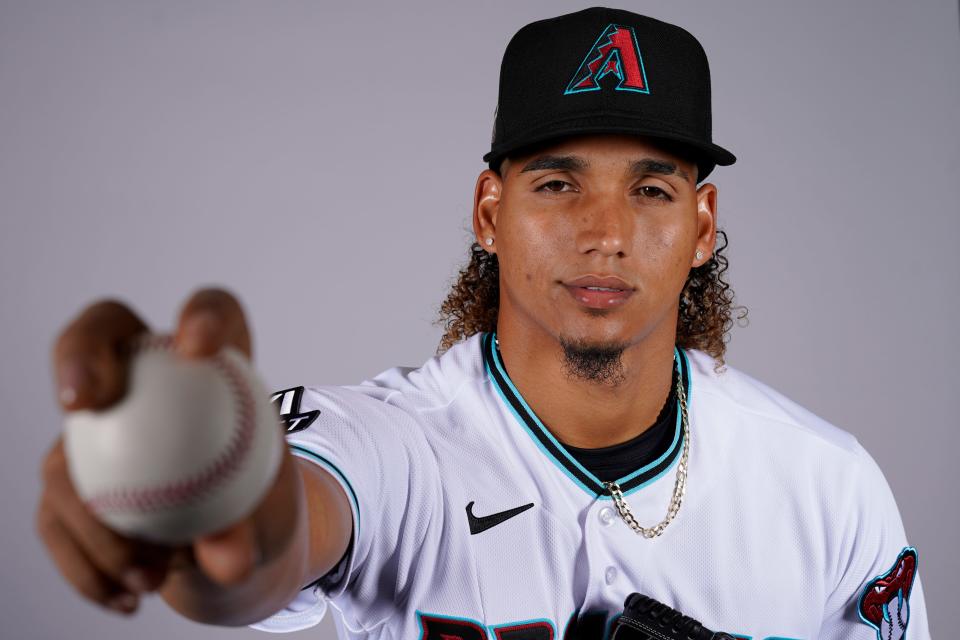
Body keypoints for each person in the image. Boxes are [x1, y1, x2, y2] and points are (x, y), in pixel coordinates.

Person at [36, 7, 930, 640]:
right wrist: (206, 494)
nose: (606, 234)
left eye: (651, 190)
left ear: (701, 227)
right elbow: (272, 535)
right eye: (557, 183)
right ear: (489, 211)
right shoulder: (398, 448)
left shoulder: (830, 487)